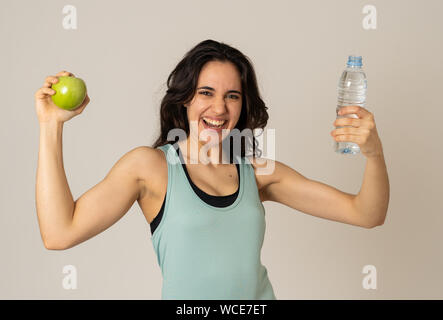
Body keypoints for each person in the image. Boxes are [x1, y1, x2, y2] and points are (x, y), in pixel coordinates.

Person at [34, 39, 389, 300]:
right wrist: (52, 125)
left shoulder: (258, 171)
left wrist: (373, 153)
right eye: (206, 92)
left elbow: (366, 213)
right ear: (185, 97)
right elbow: (59, 233)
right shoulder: (150, 167)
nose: (219, 108)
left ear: (243, 104)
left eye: (232, 95)